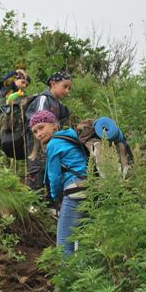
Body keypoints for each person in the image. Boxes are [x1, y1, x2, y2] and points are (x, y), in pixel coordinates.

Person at [29, 110, 88, 257]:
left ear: (55, 126)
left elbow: (54, 178)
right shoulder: (71, 137)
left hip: (73, 192)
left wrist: (56, 198)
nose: (39, 134)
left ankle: (66, 278)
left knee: (64, 244)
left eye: (41, 127)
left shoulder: (53, 144)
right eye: (35, 132)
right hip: (91, 189)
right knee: (84, 241)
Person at [24, 71, 72, 190]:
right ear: (53, 83)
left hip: (49, 143)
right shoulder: (43, 99)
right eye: (65, 86)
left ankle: (49, 201)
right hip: (36, 142)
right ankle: (36, 203)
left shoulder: (58, 104)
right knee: (36, 169)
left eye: (69, 88)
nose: (67, 91)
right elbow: (37, 121)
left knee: (48, 168)